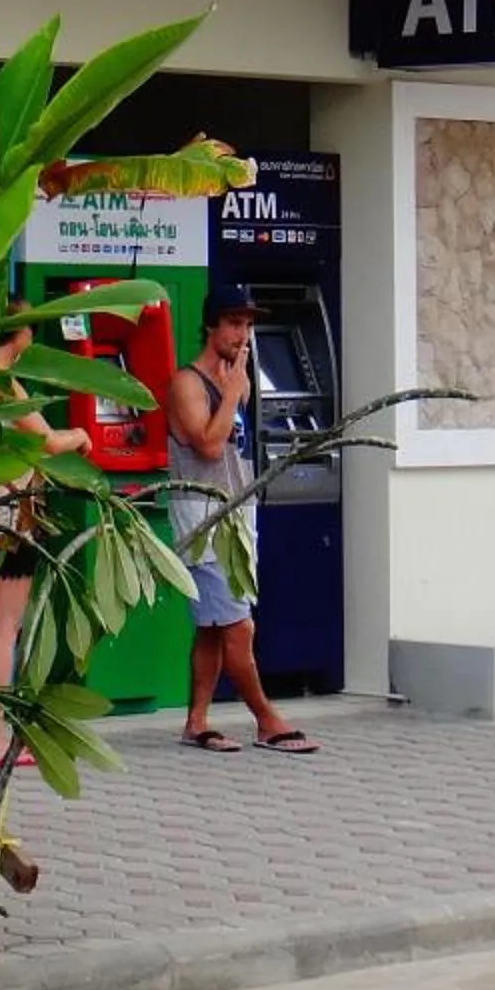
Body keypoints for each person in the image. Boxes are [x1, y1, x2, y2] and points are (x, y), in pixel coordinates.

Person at [165, 284, 318, 755]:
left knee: (213, 626)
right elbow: (208, 446)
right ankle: (266, 718)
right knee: (238, 626)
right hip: (203, 519)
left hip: (237, 514)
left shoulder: (240, 380)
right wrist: (231, 393)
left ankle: (196, 722)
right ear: (211, 326)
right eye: (234, 323)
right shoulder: (188, 383)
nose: (242, 334)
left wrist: (237, 389)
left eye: (248, 324)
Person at [0, 325, 94, 766]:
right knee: (2, 629)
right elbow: (47, 441)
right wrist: (80, 436)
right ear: (17, 335)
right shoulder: (1, 379)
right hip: (7, 515)